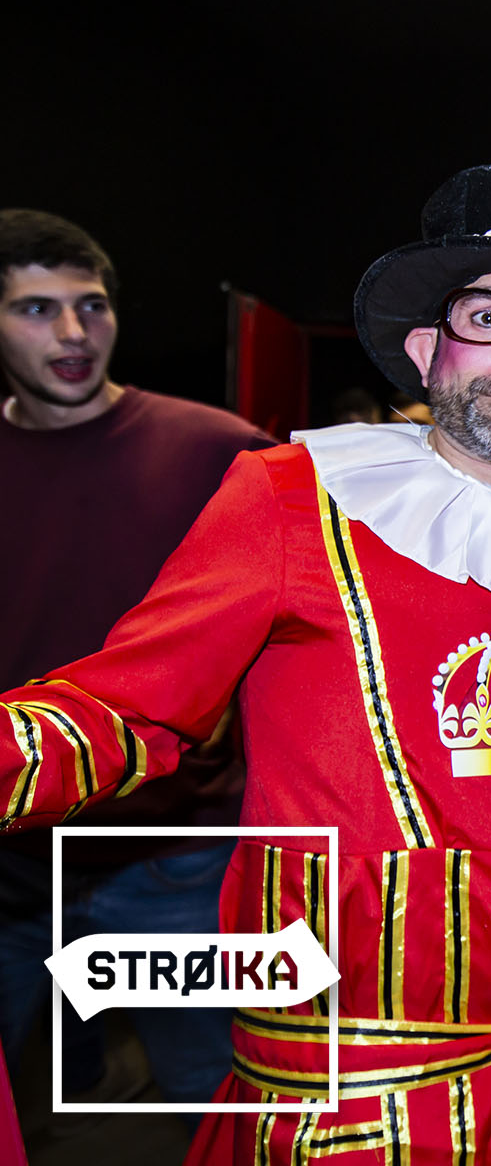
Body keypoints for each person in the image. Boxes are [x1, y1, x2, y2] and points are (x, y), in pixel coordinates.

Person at [0, 164, 491, 1164]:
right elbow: (124, 710)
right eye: (486, 316)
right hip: (341, 1109)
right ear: (428, 349)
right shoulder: (291, 500)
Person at [0, 209, 273, 1111]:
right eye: (37, 309)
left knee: (216, 1099)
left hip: (173, 859)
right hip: (8, 861)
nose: (74, 333)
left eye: (92, 305)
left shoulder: (222, 452)